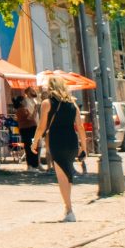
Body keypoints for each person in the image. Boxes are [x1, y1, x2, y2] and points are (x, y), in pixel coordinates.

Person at [39, 74, 80, 221]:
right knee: (67, 174)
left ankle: (69, 210)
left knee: (62, 176)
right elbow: (80, 127)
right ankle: (68, 209)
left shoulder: (47, 103)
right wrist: (83, 147)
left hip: (57, 141)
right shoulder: (72, 104)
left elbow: (41, 126)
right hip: (72, 140)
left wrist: (34, 141)